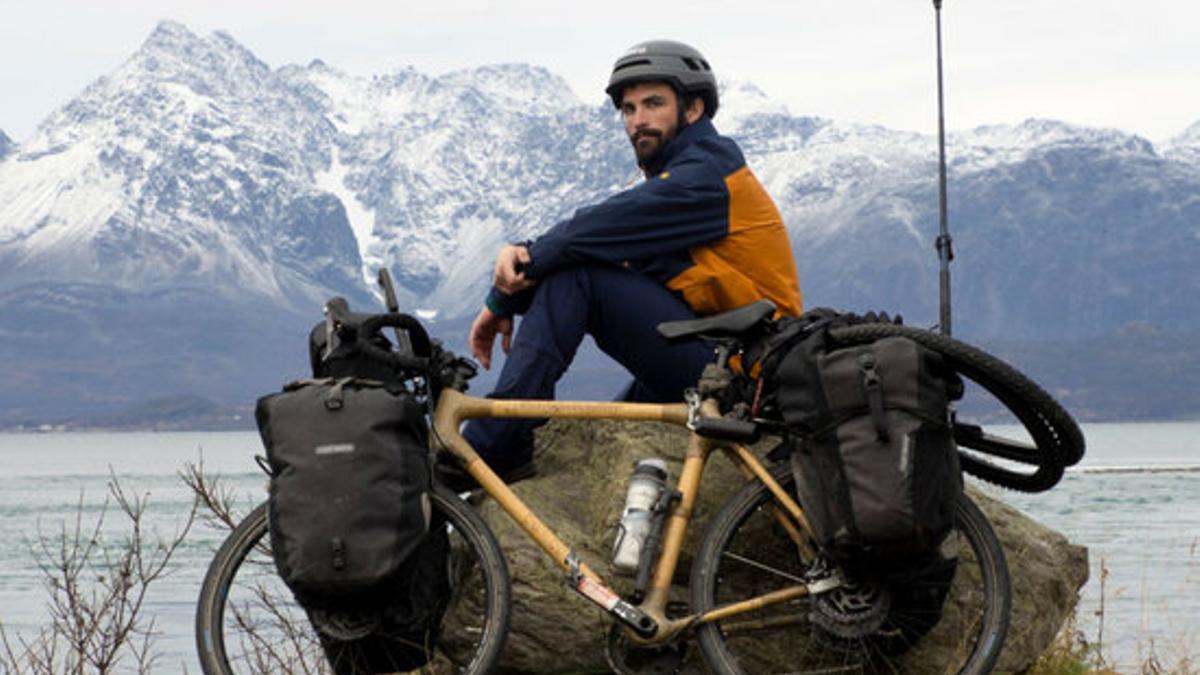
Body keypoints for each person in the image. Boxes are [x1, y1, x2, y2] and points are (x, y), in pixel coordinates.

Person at [448, 39, 802, 486]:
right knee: (600, 433)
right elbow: (600, 242)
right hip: (710, 349)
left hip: (743, 376)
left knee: (582, 277)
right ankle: (508, 443)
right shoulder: (685, 177)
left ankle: (494, 444)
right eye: (629, 109)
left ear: (693, 109)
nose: (638, 120)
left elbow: (590, 234)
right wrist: (510, 288)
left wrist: (502, 296)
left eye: (653, 103)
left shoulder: (707, 178)